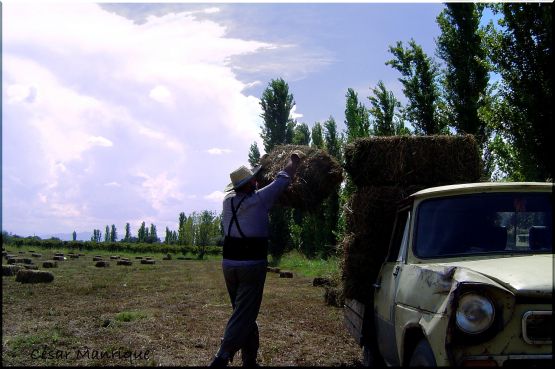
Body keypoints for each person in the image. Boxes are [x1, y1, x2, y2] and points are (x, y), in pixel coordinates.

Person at [210, 151, 303, 367]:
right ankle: (222, 356)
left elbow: (251, 191)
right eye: (254, 179)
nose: (257, 181)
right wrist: (294, 160)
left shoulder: (227, 202)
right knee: (244, 314)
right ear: (251, 183)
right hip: (251, 265)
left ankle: (249, 360)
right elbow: (283, 178)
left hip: (229, 264)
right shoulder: (259, 200)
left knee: (244, 313)